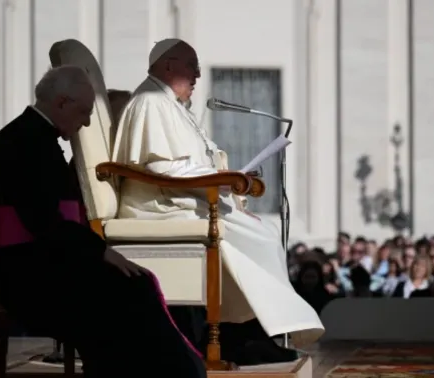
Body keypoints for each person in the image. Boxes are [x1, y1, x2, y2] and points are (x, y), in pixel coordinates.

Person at [0, 65, 206, 378]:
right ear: (61, 103)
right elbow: (44, 222)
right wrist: (100, 251)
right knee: (129, 292)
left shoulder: (33, 137)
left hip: (39, 260)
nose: (86, 122)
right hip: (23, 271)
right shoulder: (26, 143)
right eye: (83, 112)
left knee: (133, 286)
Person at [113, 38, 323, 364]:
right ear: (168, 66)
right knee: (260, 237)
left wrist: (224, 179)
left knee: (260, 231)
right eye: (191, 66)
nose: (197, 74)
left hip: (180, 200)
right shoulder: (151, 101)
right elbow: (160, 167)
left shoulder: (170, 105)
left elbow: (184, 164)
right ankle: (253, 335)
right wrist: (221, 181)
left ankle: (253, 334)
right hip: (159, 208)